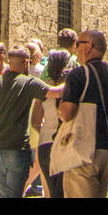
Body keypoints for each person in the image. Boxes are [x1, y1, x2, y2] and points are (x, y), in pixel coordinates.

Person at [0, 46, 50, 198]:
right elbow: (55, 92)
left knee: (6, 195)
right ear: (26, 62)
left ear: (9, 62)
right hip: (16, 150)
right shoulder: (29, 82)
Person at [59, 29, 108, 198]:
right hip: (107, 153)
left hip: (83, 154)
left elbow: (67, 113)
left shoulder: (78, 75)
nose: (76, 48)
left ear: (88, 46)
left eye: (78, 44)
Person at [38, 49, 73, 198]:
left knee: (53, 193)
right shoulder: (70, 87)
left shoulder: (43, 87)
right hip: (64, 144)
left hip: (45, 144)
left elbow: (35, 120)